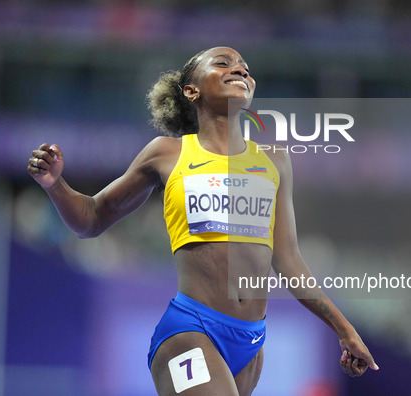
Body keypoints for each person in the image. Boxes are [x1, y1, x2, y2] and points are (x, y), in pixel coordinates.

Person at [27, 46, 378, 395]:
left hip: (251, 342)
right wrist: (55, 184)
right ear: (191, 91)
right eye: (223, 64)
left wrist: (344, 328)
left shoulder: (275, 161)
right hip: (190, 331)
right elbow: (91, 219)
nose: (239, 70)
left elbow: (287, 260)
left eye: (245, 67)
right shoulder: (168, 153)